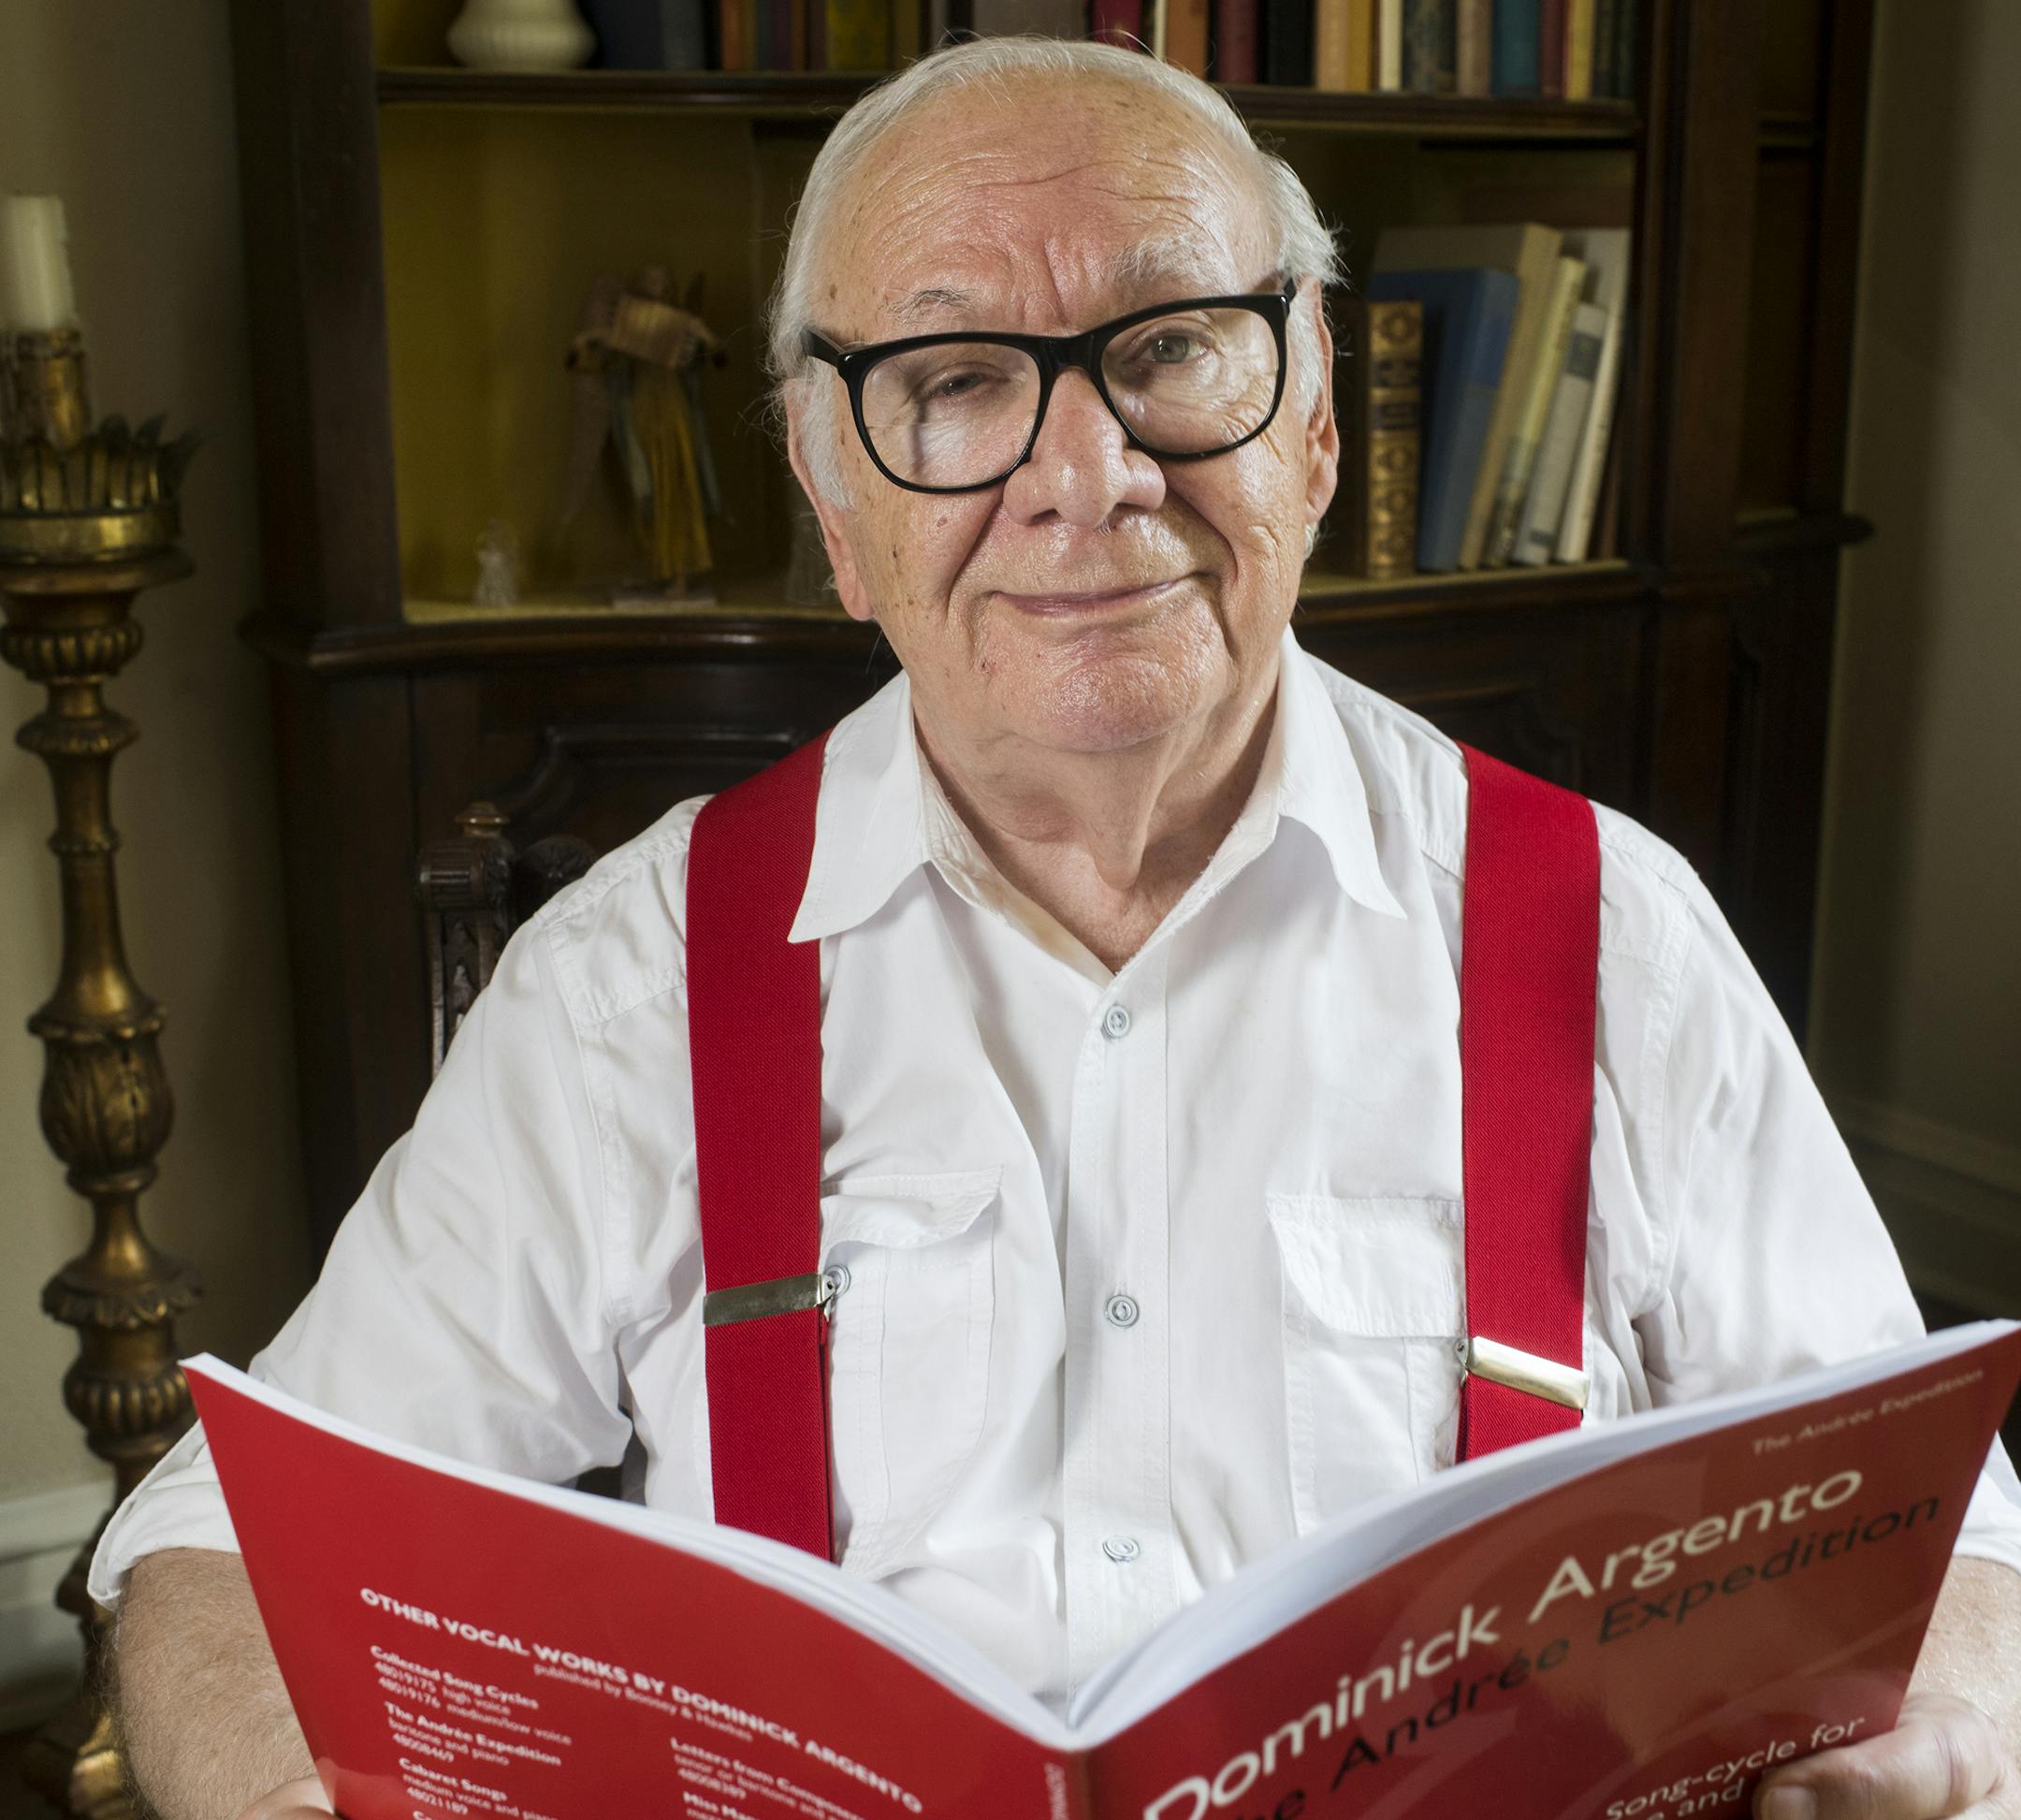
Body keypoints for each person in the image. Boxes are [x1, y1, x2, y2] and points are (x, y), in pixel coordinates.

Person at [103, 36, 2021, 1820]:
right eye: (951, 383)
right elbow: (222, 1545)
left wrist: (1928, 1735)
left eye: (1172, 347)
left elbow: (1947, 1544)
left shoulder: (1612, 934)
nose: (1085, 476)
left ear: (1318, 421)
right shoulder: (632, 977)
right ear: (833, 504)